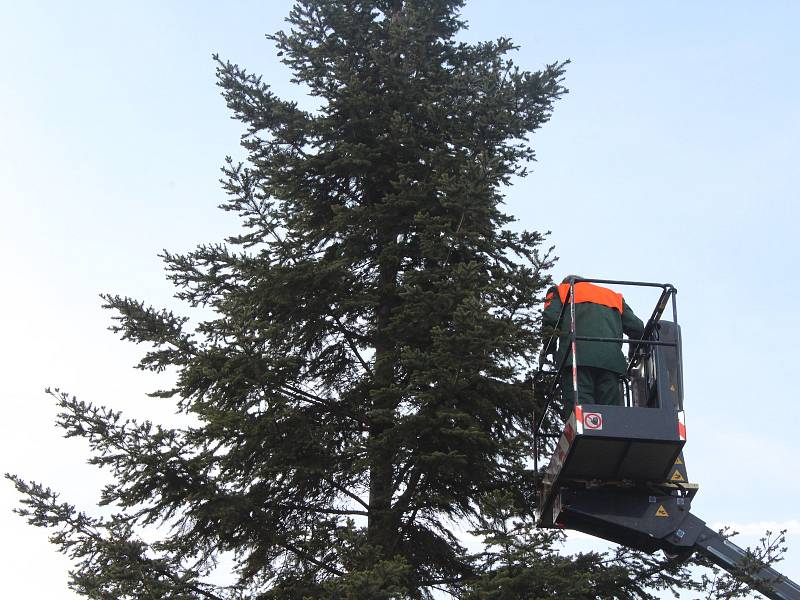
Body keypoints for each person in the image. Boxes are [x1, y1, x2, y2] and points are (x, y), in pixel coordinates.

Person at [542, 276, 644, 406]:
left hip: (576, 360)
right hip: (611, 364)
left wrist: (548, 349)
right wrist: (633, 351)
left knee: (583, 414)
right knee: (611, 416)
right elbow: (638, 328)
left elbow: (550, 321)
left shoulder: (560, 290)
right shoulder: (614, 297)